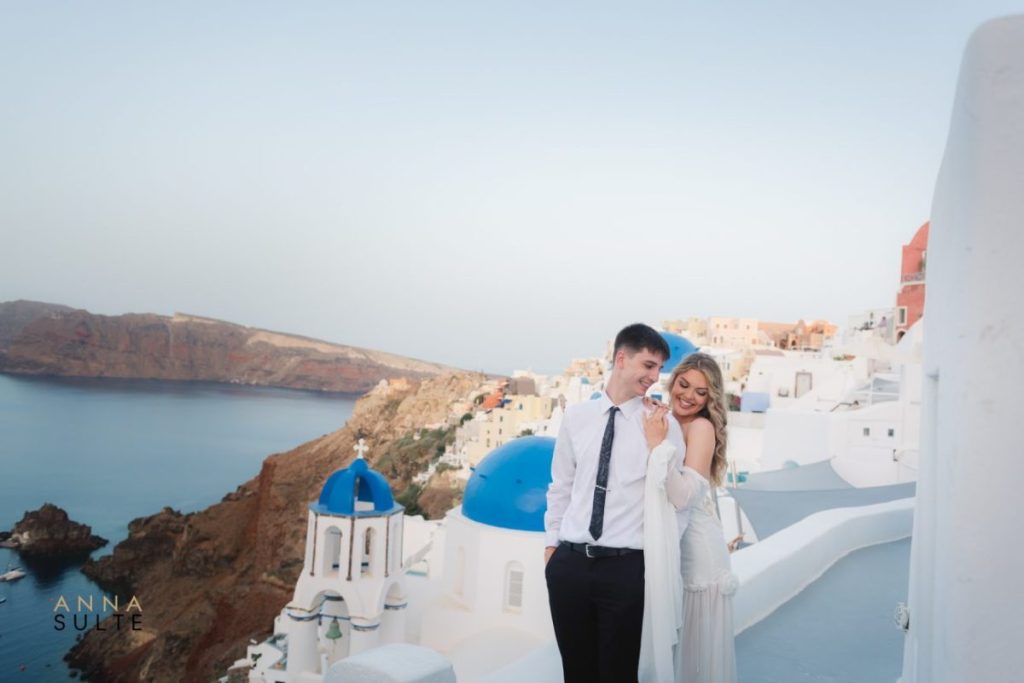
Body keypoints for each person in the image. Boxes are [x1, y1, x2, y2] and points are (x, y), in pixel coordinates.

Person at [544, 323, 686, 683]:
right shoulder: (576, 417)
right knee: (576, 673)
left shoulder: (662, 425)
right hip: (570, 564)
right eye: (648, 365)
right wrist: (551, 547)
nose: (654, 377)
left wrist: (658, 446)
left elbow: (677, 499)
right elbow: (561, 486)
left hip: (626, 569)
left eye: (659, 368)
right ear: (621, 359)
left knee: (619, 674)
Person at [643, 352, 738, 683]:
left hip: (699, 555)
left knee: (695, 655)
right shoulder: (668, 420)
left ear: (710, 399)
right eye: (684, 385)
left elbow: (683, 497)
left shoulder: (701, 427)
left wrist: (657, 448)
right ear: (673, 381)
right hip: (675, 546)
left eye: (701, 392)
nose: (688, 396)